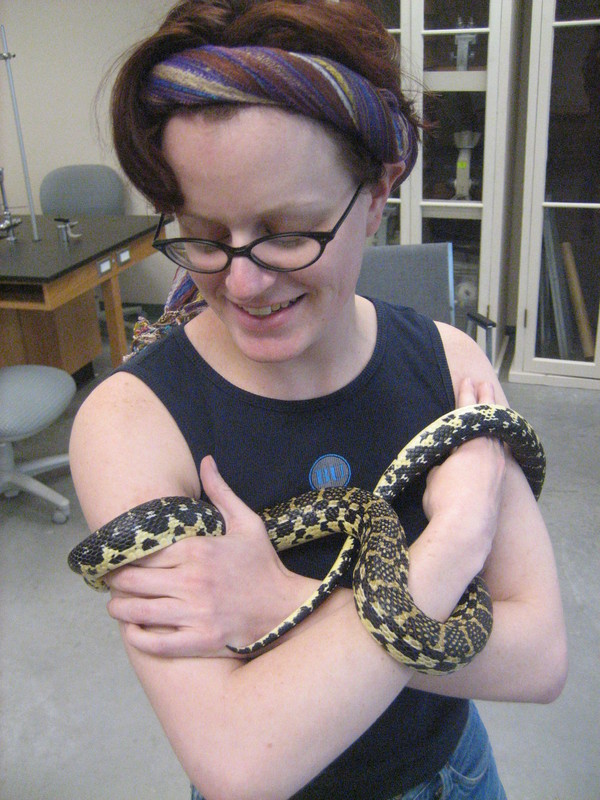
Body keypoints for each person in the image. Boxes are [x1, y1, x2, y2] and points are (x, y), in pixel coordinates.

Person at [69, 2, 568, 799]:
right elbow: (239, 764)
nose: (243, 282)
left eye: (289, 232)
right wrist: (453, 540)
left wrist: (283, 596)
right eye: (201, 234)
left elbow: (540, 657)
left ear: (377, 192)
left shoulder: (449, 363)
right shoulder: (128, 421)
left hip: (456, 774)